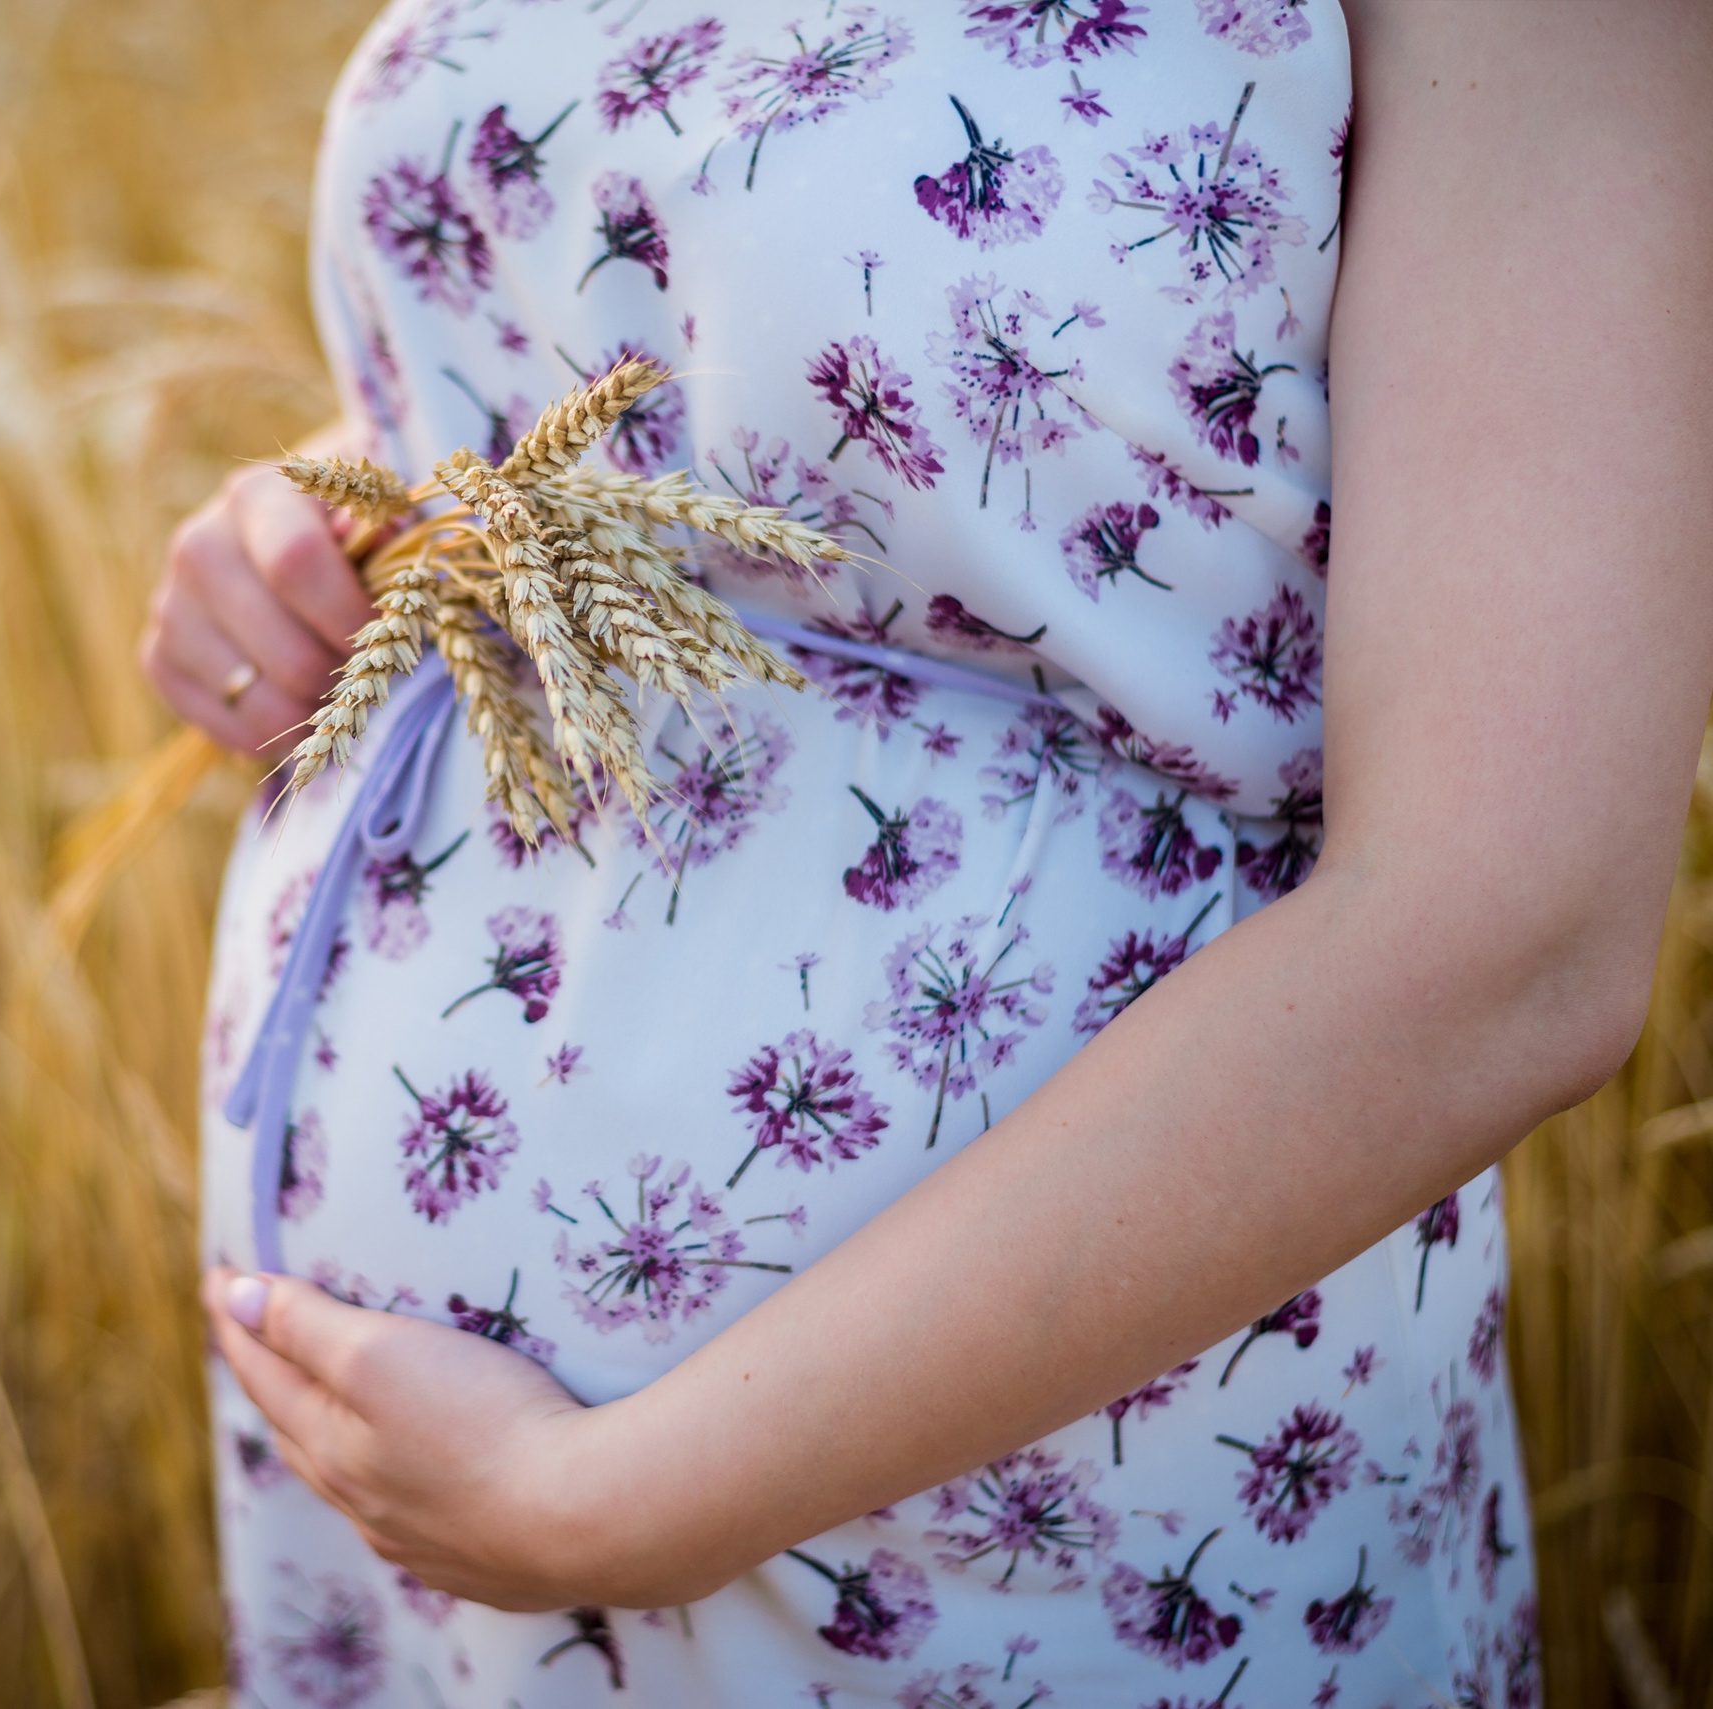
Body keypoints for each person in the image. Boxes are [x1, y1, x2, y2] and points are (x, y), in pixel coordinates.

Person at [139, 2, 1713, 1701]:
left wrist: (606, 1504)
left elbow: (1508, 938)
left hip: (1030, 1514)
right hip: (404, 1497)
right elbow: (662, 374)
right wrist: (331, 529)